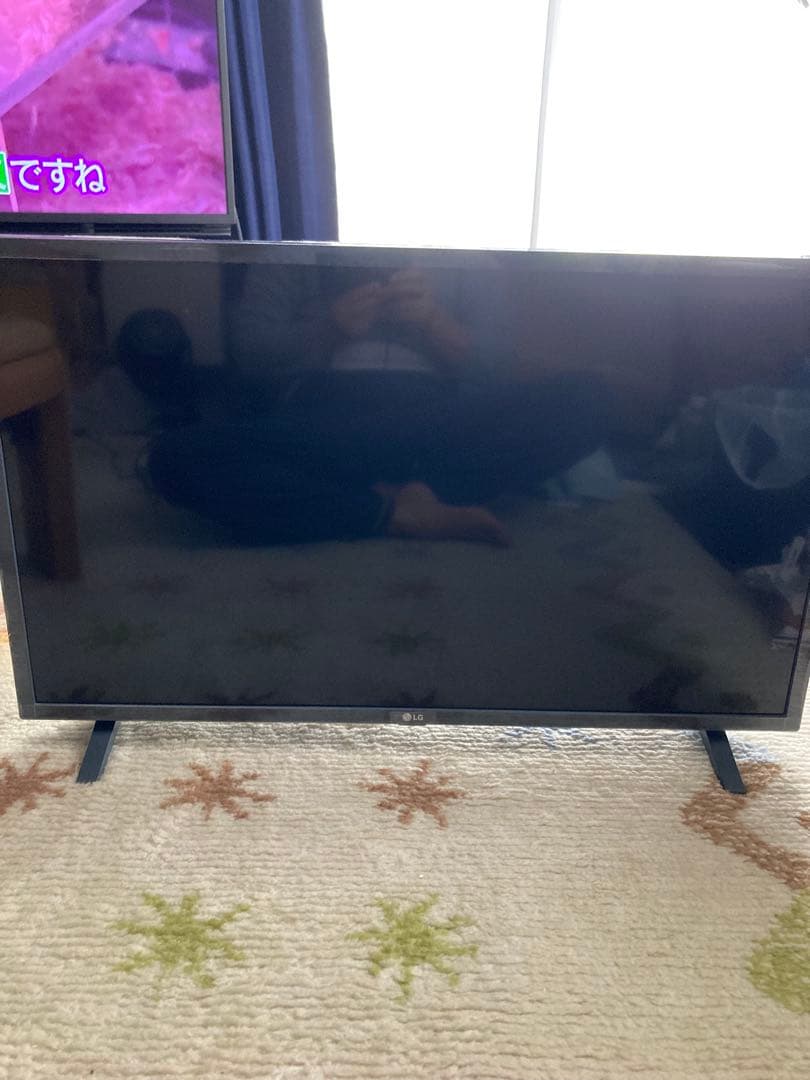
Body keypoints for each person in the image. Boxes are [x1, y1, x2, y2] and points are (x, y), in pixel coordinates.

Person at [147, 263, 614, 545]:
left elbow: (501, 368)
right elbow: (250, 352)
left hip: (436, 421)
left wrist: (436, 322)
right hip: (325, 419)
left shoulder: (469, 254)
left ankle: (414, 495)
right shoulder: (292, 248)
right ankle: (394, 512)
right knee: (172, 457)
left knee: (589, 398)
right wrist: (328, 329)